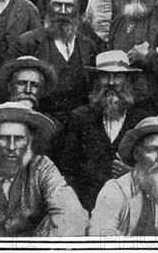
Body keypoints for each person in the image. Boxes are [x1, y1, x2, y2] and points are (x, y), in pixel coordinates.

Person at [0, 102, 88, 237]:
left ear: (30, 140)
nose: (11, 147)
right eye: (3, 137)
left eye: (19, 138)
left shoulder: (42, 168)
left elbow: (72, 215)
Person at [8, 0, 99, 164]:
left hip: (79, 127)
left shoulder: (89, 46)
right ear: (48, 7)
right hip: (42, 123)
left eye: (69, 6)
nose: (63, 12)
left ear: (78, 10)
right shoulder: (28, 43)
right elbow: (12, 91)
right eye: (57, 5)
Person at [60, 50, 152, 212]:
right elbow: (68, 170)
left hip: (131, 208)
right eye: (105, 76)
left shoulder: (142, 120)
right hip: (88, 207)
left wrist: (133, 174)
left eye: (117, 76)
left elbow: (154, 172)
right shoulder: (80, 117)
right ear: (96, 81)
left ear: (127, 80)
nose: (111, 83)